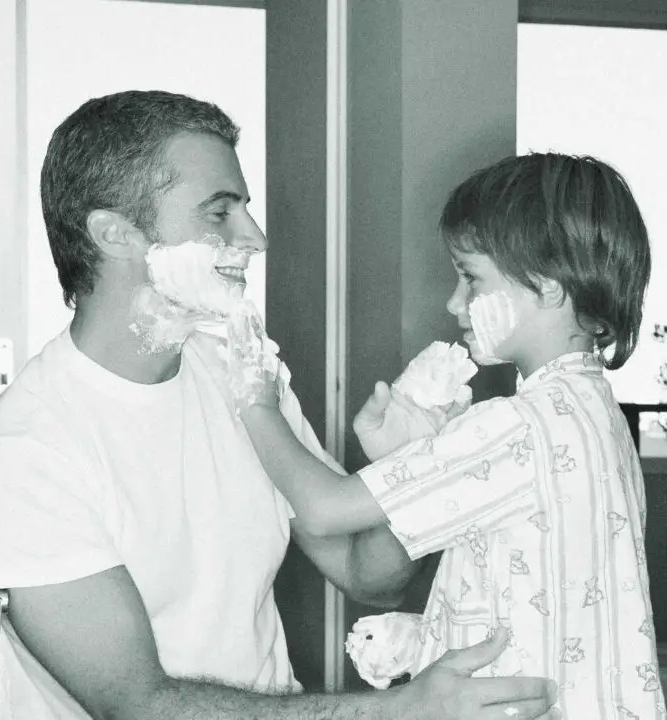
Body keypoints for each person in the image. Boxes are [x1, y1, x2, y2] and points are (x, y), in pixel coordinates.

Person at [0, 90, 558, 720]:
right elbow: (137, 704)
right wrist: (399, 710)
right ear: (116, 233)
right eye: (220, 213)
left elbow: (367, 574)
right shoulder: (22, 451)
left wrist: (409, 466)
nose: (257, 238)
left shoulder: (237, 372)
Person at [237, 153, 666, 716]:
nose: (453, 302)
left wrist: (255, 400)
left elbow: (322, 509)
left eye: (470, 277)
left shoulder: (514, 425)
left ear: (551, 283)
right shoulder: (594, 413)